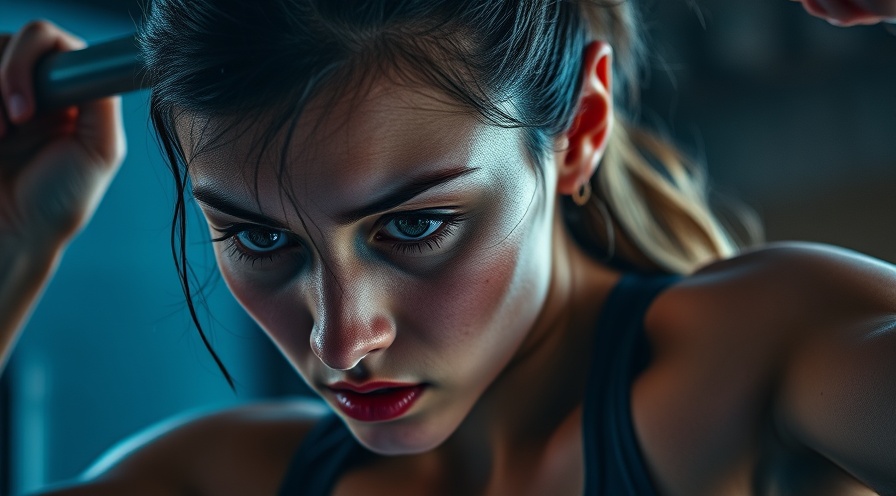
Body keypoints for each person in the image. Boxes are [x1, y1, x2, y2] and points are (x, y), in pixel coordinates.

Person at [1, 0, 894, 494]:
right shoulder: (216, 480)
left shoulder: (764, 363)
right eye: (260, 238)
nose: (342, 343)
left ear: (578, 130)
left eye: (415, 226)